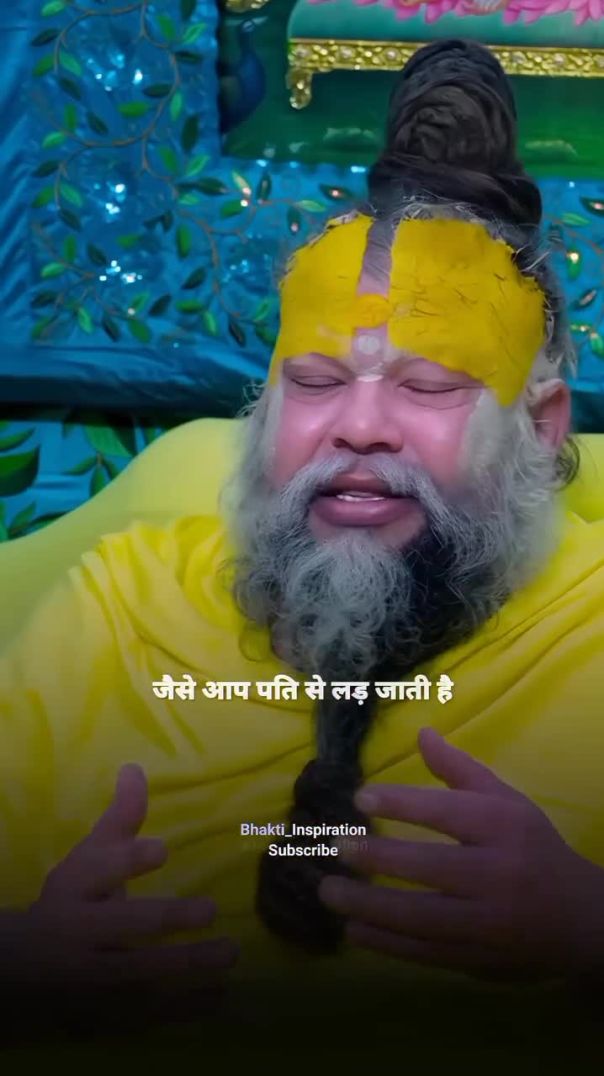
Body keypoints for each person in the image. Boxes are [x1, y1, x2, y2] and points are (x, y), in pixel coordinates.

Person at [1, 39, 604, 1048]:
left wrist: (588, 932)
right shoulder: (119, 603)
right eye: (316, 383)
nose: (357, 427)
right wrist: (19, 965)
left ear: (539, 430)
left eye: (427, 386)